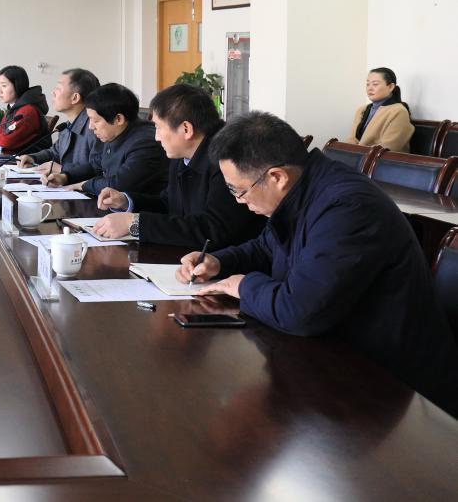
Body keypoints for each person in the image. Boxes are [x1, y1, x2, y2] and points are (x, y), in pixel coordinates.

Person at [179, 111, 458, 417]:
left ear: (276, 177)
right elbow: (268, 246)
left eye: (239, 190)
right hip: (340, 356)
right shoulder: (305, 188)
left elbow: (300, 312)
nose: (238, 201)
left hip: (397, 387)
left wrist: (243, 285)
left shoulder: (347, 208)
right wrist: (219, 261)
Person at [92, 84, 263, 247]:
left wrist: (135, 223)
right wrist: (125, 201)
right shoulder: (183, 154)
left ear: (186, 129)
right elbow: (169, 204)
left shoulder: (227, 160)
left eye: (158, 127)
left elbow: (212, 229)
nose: (156, 137)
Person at [44, 83, 166, 195]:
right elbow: (94, 166)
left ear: (118, 119)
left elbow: (119, 184)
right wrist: (65, 177)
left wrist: (83, 185)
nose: (91, 127)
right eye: (89, 119)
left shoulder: (145, 143)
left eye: (96, 121)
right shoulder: (115, 132)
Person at [18, 68, 102, 181]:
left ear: (75, 98)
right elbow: (55, 152)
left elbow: (98, 170)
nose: (53, 92)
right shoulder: (67, 126)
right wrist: (33, 158)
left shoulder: (95, 128)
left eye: (58, 88)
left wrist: (63, 170)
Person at [347, 67, 414, 152]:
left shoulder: (399, 111)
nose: (370, 88)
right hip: (358, 156)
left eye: (375, 84)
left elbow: (389, 148)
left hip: (381, 159)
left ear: (390, 87)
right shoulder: (361, 110)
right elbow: (352, 139)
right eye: (368, 84)